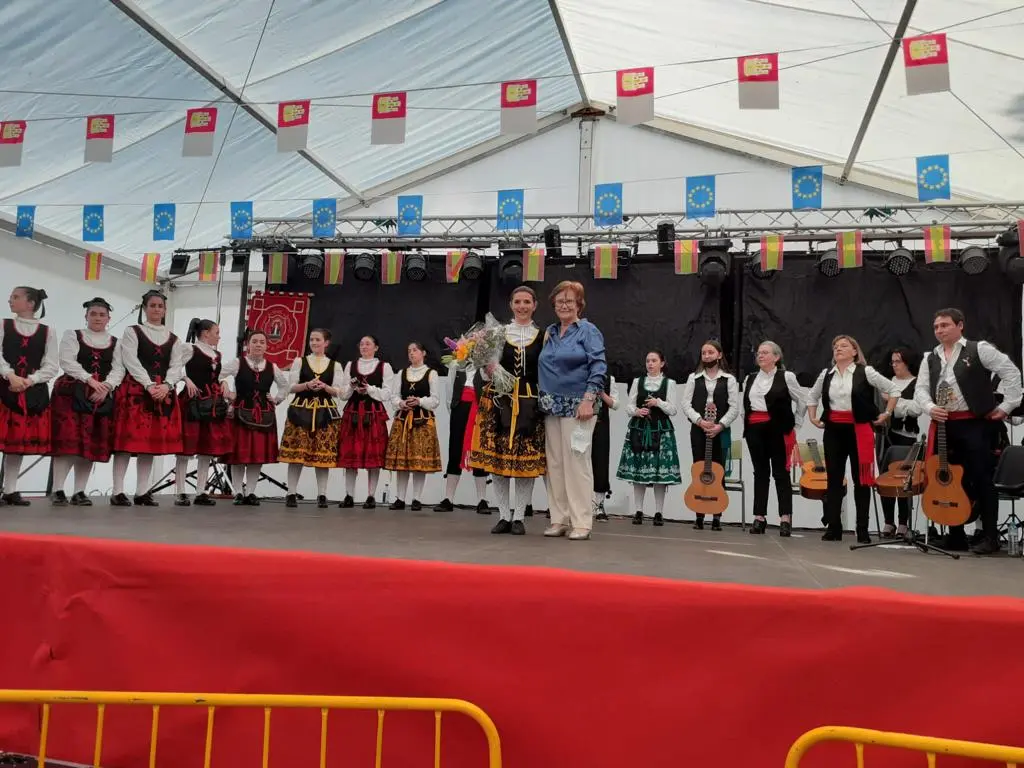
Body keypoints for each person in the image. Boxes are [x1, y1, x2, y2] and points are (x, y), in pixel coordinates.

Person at [914, 307, 1022, 555]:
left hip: (975, 424)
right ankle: (956, 535)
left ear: (960, 325)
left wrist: (1007, 406)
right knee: (950, 479)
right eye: (936, 327)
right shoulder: (930, 357)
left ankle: (990, 536)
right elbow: (920, 389)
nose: (939, 330)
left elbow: (1011, 373)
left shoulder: (978, 349)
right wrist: (930, 407)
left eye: (945, 325)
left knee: (982, 479)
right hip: (944, 424)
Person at [808, 335, 901, 543]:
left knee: (861, 480)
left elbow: (894, 390)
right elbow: (812, 396)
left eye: (844, 346)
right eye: (835, 346)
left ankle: (862, 529)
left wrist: (886, 413)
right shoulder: (826, 374)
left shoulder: (865, 372)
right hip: (834, 430)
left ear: (854, 352)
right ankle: (834, 527)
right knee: (834, 478)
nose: (838, 349)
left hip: (859, 429)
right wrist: (813, 417)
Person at [469, 285, 546, 535]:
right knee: (498, 460)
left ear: (534, 305)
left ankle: (520, 516)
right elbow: (483, 371)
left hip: (529, 402)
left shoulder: (543, 336)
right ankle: (503, 515)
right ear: (511, 305)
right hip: (499, 401)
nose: (522, 306)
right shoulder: (498, 333)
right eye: (518, 302)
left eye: (527, 302)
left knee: (524, 463)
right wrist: (488, 368)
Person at [538, 281, 608, 541]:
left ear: (579, 304)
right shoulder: (550, 332)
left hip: (579, 406)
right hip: (550, 405)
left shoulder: (588, 330)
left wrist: (588, 399)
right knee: (555, 464)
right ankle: (559, 518)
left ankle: (582, 521)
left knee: (576, 464)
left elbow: (598, 365)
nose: (564, 305)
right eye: (560, 301)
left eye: (569, 301)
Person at [111, 290, 186, 506]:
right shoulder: (133, 331)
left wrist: (167, 385)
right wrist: (149, 384)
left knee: (149, 444)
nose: (156, 309)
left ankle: (142, 491)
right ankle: (117, 491)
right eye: (152, 305)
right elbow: (130, 359)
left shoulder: (174, 339)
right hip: (136, 391)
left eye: (160, 306)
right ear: (145, 308)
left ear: (165, 309)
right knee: (126, 443)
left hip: (161, 393)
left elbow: (176, 365)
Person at [50, 297, 125, 505]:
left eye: (102, 315)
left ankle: (79, 491)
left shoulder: (116, 342)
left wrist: (107, 386)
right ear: (86, 316)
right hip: (71, 391)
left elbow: (119, 368)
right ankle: (58, 489)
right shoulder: (73, 335)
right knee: (68, 442)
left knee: (90, 444)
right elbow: (67, 361)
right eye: (93, 314)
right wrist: (90, 380)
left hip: (100, 395)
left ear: (108, 318)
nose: (97, 318)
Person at [0, 286, 58, 505]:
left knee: (15, 443)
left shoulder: (47, 331)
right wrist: (10, 375)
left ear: (31, 303)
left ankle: (10, 489)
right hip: (4, 386)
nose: (10, 300)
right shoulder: (3, 325)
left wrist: (29, 381)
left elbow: (51, 365)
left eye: (15, 297)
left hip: (30, 391)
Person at [219, 330, 290, 506]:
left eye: (262, 342)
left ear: (266, 346)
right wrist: (225, 385)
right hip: (240, 413)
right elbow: (217, 374)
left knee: (257, 456)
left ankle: (250, 492)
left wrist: (276, 399)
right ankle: (237, 492)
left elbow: (285, 386)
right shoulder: (238, 363)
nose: (258, 345)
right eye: (255, 341)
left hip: (263, 416)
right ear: (247, 345)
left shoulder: (272, 367)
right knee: (238, 456)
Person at [742, 341, 806, 536]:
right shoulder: (750, 378)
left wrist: (796, 425)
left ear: (776, 357)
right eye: (759, 353)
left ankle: (785, 518)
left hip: (778, 429)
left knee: (781, 473)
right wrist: (748, 424)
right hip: (755, 429)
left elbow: (801, 401)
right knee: (760, 473)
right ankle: (759, 517)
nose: (760, 355)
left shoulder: (786, 377)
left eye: (765, 352)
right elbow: (745, 405)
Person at [280, 328, 344, 509]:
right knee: (296, 454)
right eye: (312, 340)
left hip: (325, 413)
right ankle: (291, 493)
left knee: (323, 456)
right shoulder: (300, 361)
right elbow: (291, 387)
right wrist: (307, 385)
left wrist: (325, 387)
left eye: (318, 340)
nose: (314, 343)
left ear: (326, 343)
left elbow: (339, 391)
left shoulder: (335, 365)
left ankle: (322, 494)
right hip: (301, 410)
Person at [616, 350, 681, 526]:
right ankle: (638, 510)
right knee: (639, 472)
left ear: (662, 363)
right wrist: (637, 411)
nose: (650, 364)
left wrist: (657, 402)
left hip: (661, 430)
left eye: (654, 360)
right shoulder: (638, 381)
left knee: (659, 474)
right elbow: (629, 406)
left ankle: (659, 512)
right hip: (639, 428)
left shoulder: (669, 383)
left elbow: (673, 410)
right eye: (647, 361)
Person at [681, 340, 740, 531]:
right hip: (699, 430)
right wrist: (699, 421)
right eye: (704, 353)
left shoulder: (729, 379)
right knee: (699, 468)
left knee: (718, 470)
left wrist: (720, 425)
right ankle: (699, 514)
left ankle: (717, 515)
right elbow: (686, 404)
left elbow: (734, 407)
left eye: (710, 352)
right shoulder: (694, 378)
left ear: (719, 355)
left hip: (719, 431)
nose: (706, 356)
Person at [175, 319, 233, 506]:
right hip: (193, 400)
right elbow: (173, 367)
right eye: (217, 332)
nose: (219, 336)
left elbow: (217, 376)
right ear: (206, 333)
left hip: (212, 403)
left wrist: (224, 382)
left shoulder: (217, 354)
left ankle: (201, 491)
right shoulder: (189, 349)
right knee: (185, 449)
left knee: (207, 448)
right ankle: (180, 492)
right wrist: (185, 379)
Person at [337, 335, 393, 509]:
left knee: (373, 457)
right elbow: (343, 394)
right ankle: (349, 495)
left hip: (373, 413)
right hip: (353, 413)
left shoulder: (384, 366)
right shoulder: (351, 365)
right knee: (350, 455)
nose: (364, 346)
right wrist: (352, 387)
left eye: (368, 344)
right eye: (361, 344)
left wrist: (368, 389)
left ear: (376, 347)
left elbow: (387, 394)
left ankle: (371, 495)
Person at [384, 341, 441, 510]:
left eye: (415, 350)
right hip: (403, 421)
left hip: (422, 422)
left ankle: (416, 498)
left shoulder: (431, 373)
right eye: (409, 350)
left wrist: (419, 401)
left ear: (423, 353)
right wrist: (401, 403)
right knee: (402, 463)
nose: (411, 353)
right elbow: (394, 396)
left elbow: (435, 400)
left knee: (419, 462)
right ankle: (400, 498)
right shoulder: (402, 373)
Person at [878, 346, 923, 537]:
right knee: (885, 477)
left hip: (906, 437)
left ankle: (903, 522)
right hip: (885, 435)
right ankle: (888, 521)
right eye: (893, 362)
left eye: (898, 361)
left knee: (904, 478)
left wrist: (893, 401)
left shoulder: (917, 384)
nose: (895, 365)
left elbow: (916, 408)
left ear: (907, 362)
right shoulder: (887, 382)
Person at [434, 363, 491, 514]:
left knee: (479, 449)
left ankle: (482, 499)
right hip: (460, 407)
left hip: (480, 408)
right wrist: (453, 407)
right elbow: (449, 387)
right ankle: (448, 498)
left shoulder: (486, 363)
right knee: (455, 450)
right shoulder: (457, 363)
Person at [592, 373, 620, 521]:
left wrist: (602, 393)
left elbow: (615, 404)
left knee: (601, 463)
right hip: (580, 424)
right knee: (577, 464)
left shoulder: (609, 378)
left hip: (600, 424)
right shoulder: (578, 373)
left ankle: (599, 505)